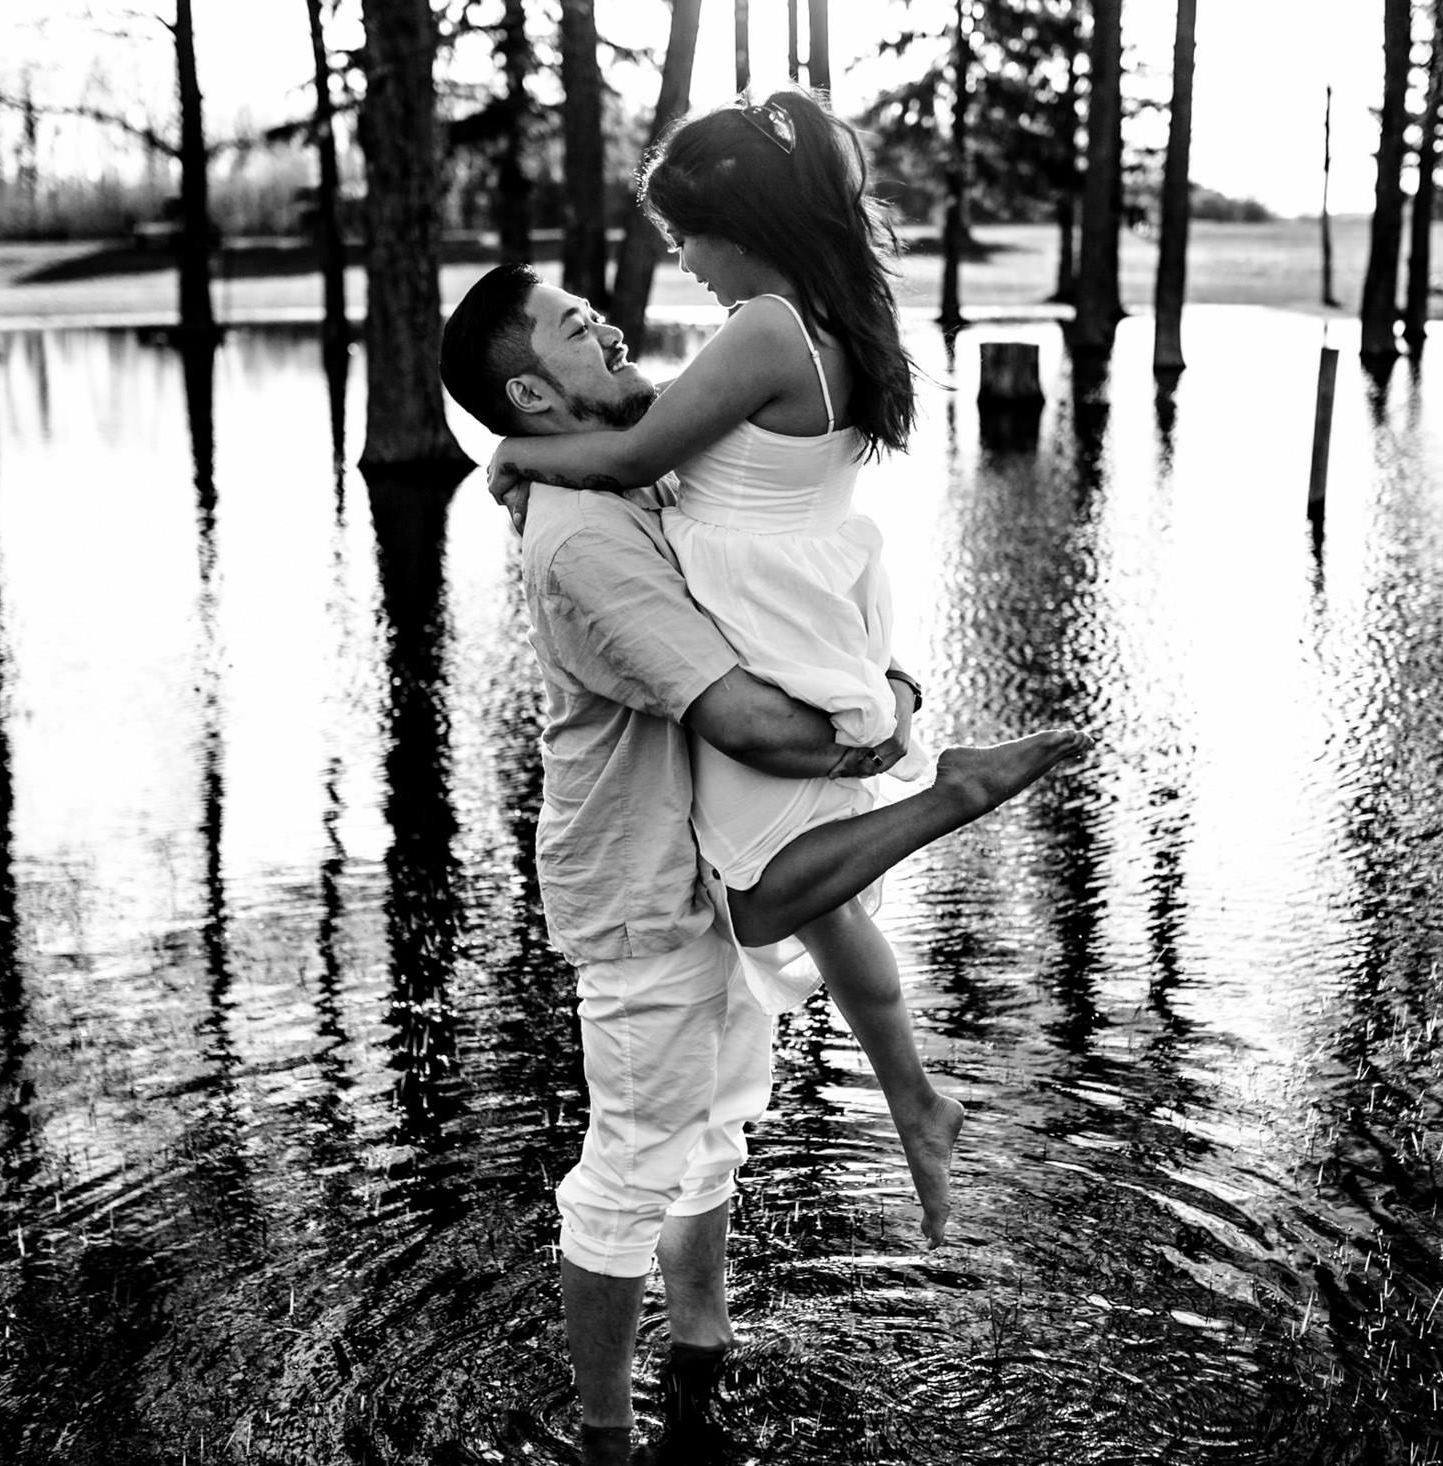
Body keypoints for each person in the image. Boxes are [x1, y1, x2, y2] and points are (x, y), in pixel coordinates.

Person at [442, 263, 1081, 1464]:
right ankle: (606, 1440)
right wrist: (887, 723)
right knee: (630, 1161)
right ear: (532, 386)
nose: (610, 322)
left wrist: (875, 674)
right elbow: (747, 722)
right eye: (576, 326)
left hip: (712, 849)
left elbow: (773, 575)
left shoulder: (637, 465)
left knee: (714, 1130)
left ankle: (698, 1355)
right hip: (641, 887)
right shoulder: (586, 541)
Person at [484, 89, 983, 1259]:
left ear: (737, 224)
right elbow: (677, 429)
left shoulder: (762, 325)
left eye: (686, 242)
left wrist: (515, 450)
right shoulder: (831, 315)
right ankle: (912, 1095)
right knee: (819, 900)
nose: (685, 268)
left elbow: (640, 450)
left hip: (767, 623)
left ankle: (949, 823)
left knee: (768, 895)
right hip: (812, 599)